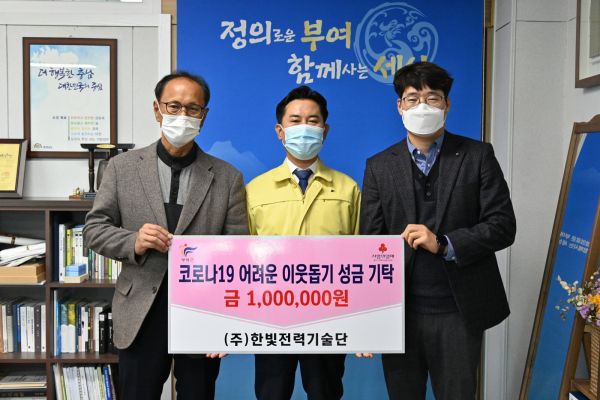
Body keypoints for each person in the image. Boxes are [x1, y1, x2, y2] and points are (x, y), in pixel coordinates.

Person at [83, 71, 248, 400]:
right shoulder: (122, 167)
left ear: (204, 115)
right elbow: (94, 229)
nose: (182, 115)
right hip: (141, 311)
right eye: (174, 106)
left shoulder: (227, 177)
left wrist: (227, 323)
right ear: (157, 110)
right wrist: (133, 241)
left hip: (201, 312)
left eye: (192, 108)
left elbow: (238, 252)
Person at [360, 62, 516, 400]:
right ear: (399, 106)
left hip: (459, 311)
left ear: (447, 104)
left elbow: (503, 226)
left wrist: (444, 243)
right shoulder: (379, 166)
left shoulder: (477, 156)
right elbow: (370, 244)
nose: (423, 106)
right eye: (413, 98)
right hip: (400, 314)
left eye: (432, 98)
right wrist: (368, 319)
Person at [246, 86, 361, 400]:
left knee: (326, 392)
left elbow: (362, 261)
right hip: (271, 317)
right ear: (280, 131)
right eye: (295, 121)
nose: (305, 127)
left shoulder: (348, 189)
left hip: (329, 316)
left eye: (313, 121)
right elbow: (243, 261)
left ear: (325, 129)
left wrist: (364, 323)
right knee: (271, 393)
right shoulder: (255, 190)